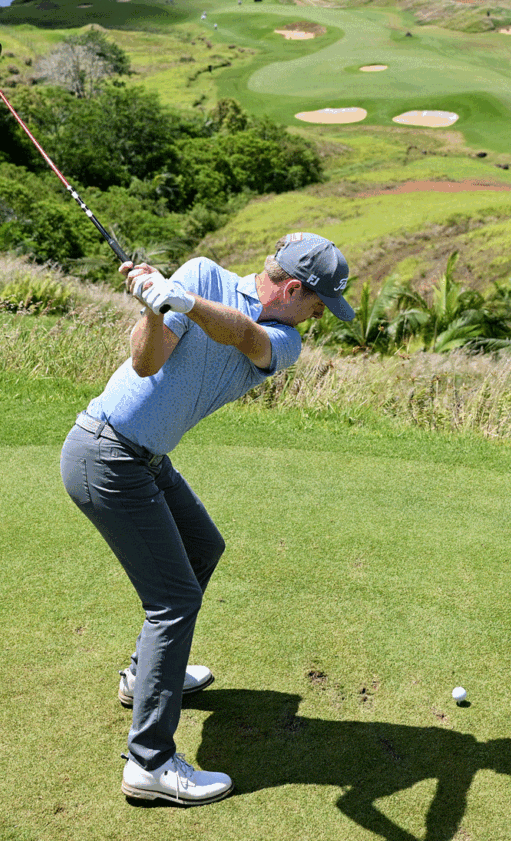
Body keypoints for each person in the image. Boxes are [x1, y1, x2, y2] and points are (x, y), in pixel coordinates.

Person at [60, 232, 356, 806]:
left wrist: (180, 301)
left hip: (145, 458)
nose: (319, 316)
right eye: (319, 304)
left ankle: (141, 676)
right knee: (173, 602)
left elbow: (243, 334)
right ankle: (149, 763)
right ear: (294, 288)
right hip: (105, 454)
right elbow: (144, 365)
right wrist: (154, 304)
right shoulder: (199, 274)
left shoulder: (283, 339)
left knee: (202, 547)